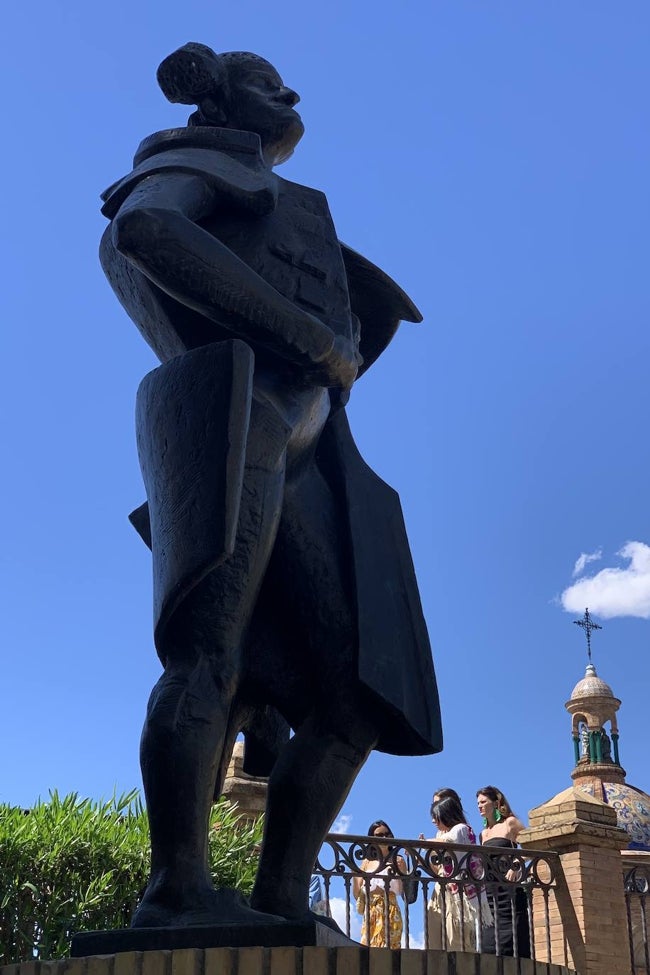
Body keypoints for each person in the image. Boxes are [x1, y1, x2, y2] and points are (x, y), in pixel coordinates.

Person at [100, 43, 442, 929]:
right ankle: (175, 890)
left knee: (352, 699)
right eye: (263, 83)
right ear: (216, 103)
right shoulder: (197, 163)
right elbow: (147, 231)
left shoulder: (287, 200)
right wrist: (309, 335)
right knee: (207, 657)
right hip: (235, 419)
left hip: (315, 452)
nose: (288, 95)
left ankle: (283, 901)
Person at [425, 796, 491, 952]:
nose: (435, 821)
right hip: (453, 892)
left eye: (437, 817)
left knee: (459, 941)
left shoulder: (461, 828)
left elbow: (449, 841)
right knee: (447, 939)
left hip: (463, 895)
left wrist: (425, 843)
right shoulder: (449, 832)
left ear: (446, 815)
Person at [476, 786, 531, 957]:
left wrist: (516, 864)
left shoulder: (510, 823)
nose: (479, 806)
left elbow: (533, 846)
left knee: (515, 947)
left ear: (496, 803)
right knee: (489, 948)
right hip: (491, 896)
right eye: (477, 803)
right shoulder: (483, 834)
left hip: (510, 894)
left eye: (483, 802)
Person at [353, 821, 406, 948]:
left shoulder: (398, 860)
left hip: (391, 910)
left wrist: (402, 870)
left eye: (387, 834)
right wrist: (355, 876)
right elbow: (356, 894)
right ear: (372, 839)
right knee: (369, 951)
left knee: (390, 950)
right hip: (371, 910)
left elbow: (404, 890)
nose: (384, 838)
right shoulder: (366, 862)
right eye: (379, 835)